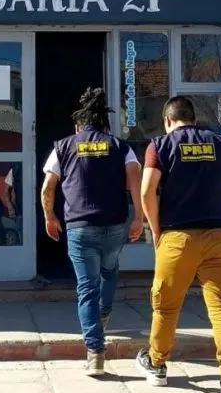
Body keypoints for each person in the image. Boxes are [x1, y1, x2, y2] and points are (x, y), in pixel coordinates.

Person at [134, 96, 221, 393]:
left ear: (168, 120)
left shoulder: (159, 146)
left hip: (178, 238)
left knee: (166, 306)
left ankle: (157, 364)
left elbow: (147, 191)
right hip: (218, 236)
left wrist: (156, 229)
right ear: (194, 119)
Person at [40, 87, 144, 377]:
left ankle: (95, 353)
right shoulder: (121, 146)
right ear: (105, 125)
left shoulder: (63, 146)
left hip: (80, 229)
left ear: (78, 126)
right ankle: (105, 313)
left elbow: (48, 187)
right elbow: (135, 178)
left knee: (87, 288)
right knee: (109, 272)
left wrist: (50, 217)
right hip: (114, 226)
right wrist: (140, 217)